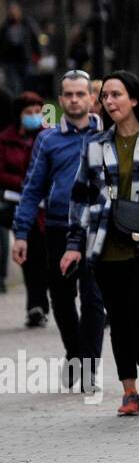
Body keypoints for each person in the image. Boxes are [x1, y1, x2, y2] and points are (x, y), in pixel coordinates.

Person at [64, 72, 139, 415]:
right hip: (104, 245)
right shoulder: (96, 145)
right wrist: (74, 243)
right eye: (105, 97)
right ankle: (128, 389)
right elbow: (80, 197)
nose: (109, 102)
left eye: (116, 95)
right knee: (116, 315)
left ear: (134, 99)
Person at [11, 70, 106, 393]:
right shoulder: (47, 139)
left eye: (81, 94)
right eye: (69, 94)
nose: (75, 99)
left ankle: (89, 366)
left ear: (91, 99)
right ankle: (73, 352)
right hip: (57, 227)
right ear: (61, 99)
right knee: (62, 297)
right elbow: (32, 187)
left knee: (94, 296)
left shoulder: (105, 134)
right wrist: (21, 232)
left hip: (95, 228)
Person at [0, 92, 50, 326]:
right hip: (19, 204)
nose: (33, 117)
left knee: (44, 256)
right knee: (30, 256)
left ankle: (42, 302)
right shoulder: (5, 140)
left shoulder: (48, 138)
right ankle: (35, 305)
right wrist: (22, 182)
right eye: (28, 113)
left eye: (37, 112)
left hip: (46, 207)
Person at [1, 3, 41, 94]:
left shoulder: (27, 23)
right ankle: (16, 103)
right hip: (10, 60)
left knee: (26, 84)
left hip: (25, 59)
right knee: (14, 85)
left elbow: (35, 39)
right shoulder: (6, 26)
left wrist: (38, 55)